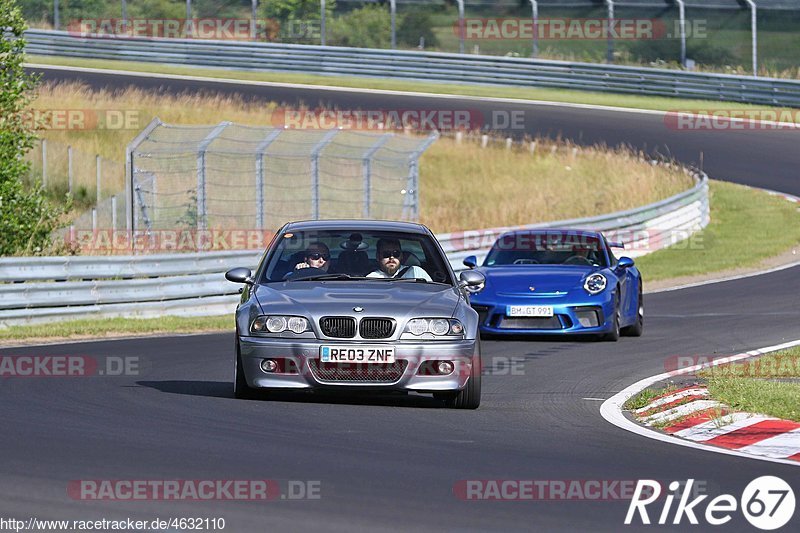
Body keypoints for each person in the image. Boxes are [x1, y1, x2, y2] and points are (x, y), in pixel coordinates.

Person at [367, 238, 432, 281]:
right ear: (378, 257)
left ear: (401, 256)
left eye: (396, 253)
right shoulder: (371, 279)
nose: (392, 257)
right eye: (386, 254)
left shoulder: (416, 272)